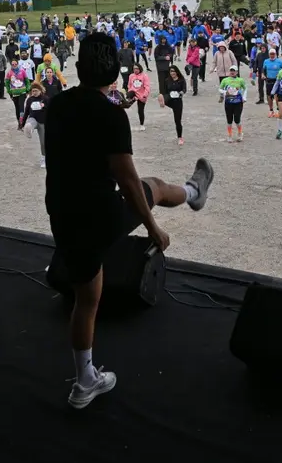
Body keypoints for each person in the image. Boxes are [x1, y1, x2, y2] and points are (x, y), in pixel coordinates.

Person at [44, 33, 214, 409]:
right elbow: (127, 180)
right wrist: (154, 229)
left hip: (61, 210)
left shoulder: (57, 105)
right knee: (151, 185)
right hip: (100, 213)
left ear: (77, 67)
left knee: (86, 300)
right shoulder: (111, 115)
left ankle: (84, 380)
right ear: (114, 76)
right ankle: (192, 193)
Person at [20, 82, 49, 168]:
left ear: (40, 90)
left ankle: (44, 158)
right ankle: (29, 130)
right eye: (33, 91)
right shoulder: (30, 100)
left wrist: (44, 106)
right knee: (30, 123)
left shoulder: (45, 99)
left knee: (43, 142)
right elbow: (26, 112)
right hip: (33, 119)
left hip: (43, 122)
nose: (34, 93)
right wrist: (22, 123)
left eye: (36, 91)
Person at [157, 65, 187, 145]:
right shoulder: (167, 80)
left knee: (177, 121)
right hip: (170, 99)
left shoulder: (181, 79)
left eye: (173, 71)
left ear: (176, 71)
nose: (172, 73)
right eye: (170, 71)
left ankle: (180, 137)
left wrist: (181, 93)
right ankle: (162, 101)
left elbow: (184, 89)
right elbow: (165, 91)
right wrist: (163, 95)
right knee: (166, 96)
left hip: (177, 101)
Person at [218, 65, 247, 142]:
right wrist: (225, 92)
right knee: (229, 120)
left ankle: (240, 133)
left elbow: (245, 88)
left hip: (238, 103)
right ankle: (230, 135)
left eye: (234, 71)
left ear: (237, 72)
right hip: (228, 103)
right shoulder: (225, 80)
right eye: (231, 70)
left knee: (237, 119)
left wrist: (244, 98)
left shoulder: (240, 80)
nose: (232, 72)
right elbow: (220, 89)